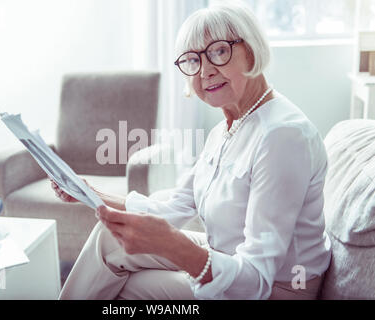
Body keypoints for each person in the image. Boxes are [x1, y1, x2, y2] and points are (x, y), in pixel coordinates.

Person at [52, 1, 331, 300]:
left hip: (278, 288)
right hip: (226, 256)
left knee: (121, 289)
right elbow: (174, 206)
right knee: (109, 239)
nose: (206, 71)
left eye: (219, 51)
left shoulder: (282, 136)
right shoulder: (225, 130)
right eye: (192, 60)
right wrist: (90, 192)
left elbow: (256, 281)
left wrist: (174, 246)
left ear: (251, 50)